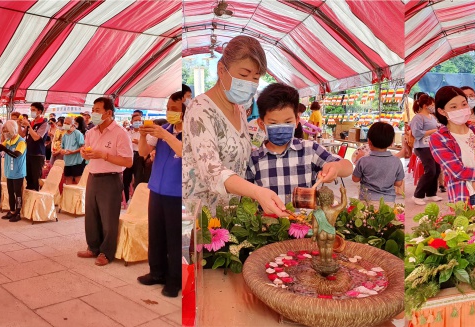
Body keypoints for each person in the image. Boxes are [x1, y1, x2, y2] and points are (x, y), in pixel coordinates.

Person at [183, 35, 283, 216]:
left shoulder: (239, 109)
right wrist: (256, 192)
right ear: (221, 70)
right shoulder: (200, 110)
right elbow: (212, 171)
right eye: (244, 75)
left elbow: (240, 157)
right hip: (202, 217)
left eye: (255, 78)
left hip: (230, 214)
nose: (250, 83)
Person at [246, 84, 352, 200]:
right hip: (268, 218)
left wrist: (336, 167)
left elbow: (348, 167)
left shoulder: (310, 149)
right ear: (261, 124)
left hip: (304, 217)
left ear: (297, 121)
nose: (281, 128)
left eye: (287, 122)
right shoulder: (253, 159)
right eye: (273, 123)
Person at [136, 90, 184, 297]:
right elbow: (143, 153)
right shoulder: (163, 129)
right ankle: (156, 272)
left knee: (174, 238)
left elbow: (184, 152)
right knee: (156, 234)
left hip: (178, 193)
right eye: (168, 108)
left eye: (174, 109)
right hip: (156, 188)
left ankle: (174, 279)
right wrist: (142, 135)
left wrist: (166, 135)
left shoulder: (191, 132)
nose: (169, 112)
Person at [76, 97, 133, 266]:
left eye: (97, 110)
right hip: (93, 176)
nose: (94, 113)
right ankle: (92, 247)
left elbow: (128, 162)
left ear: (109, 113)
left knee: (108, 219)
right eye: (93, 110)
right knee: (91, 215)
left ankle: (106, 252)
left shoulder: (120, 133)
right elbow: (86, 152)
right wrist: (83, 153)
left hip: (110, 178)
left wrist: (104, 155)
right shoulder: (91, 132)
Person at [352, 122, 403, 205]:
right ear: (391, 143)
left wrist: (358, 160)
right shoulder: (396, 161)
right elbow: (398, 183)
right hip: (388, 202)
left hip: (366, 201)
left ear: (369, 141)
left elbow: (355, 179)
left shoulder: (363, 160)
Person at [410, 92, 443, 205]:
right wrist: (433, 131)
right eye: (432, 104)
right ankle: (418, 195)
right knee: (430, 170)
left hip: (433, 146)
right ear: (425, 105)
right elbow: (416, 133)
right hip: (422, 147)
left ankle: (431, 193)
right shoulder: (418, 118)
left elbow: (437, 127)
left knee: (437, 170)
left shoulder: (432, 117)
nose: (433, 106)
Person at [0, 120, 26, 222]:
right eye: (4, 132)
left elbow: (16, 155)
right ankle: (12, 211)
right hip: (9, 171)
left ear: (13, 130)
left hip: (18, 172)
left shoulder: (21, 142)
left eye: (7, 132)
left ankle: (18, 212)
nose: (6, 134)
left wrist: (3, 148)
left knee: (17, 192)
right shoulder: (9, 141)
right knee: (10, 192)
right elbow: (0, 149)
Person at [25, 103, 51, 191]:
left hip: (38, 154)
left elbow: (36, 137)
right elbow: (22, 135)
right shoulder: (31, 123)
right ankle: (29, 199)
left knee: (36, 178)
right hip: (28, 152)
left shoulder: (44, 124)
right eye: (31, 110)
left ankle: (37, 199)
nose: (31, 112)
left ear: (39, 111)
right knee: (28, 177)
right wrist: (18, 124)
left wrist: (28, 126)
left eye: (33, 110)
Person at [123, 110, 146, 203]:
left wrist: (139, 142)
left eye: (139, 120)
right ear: (132, 122)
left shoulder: (144, 133)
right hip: (129, 155)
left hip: (139, 156)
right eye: (136, 121)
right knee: (126, 179)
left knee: (138, 178)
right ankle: (126, 199)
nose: (138, 122)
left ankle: (137, 200)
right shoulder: (127, 132)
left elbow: (148, 145)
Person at [58, 116, 86, 189]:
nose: (66, 124)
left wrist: (73, 151)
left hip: (77, 162)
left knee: (78, 181)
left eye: (68, 123)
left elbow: (83, 146)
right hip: (67, 162)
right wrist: (62, 151)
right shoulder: (64, 135)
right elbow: (62, 147)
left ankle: (79, 199)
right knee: (68, 181)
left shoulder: (77, 133)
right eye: (65, 123)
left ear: (72, 125)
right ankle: (69, 198)